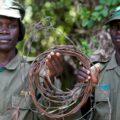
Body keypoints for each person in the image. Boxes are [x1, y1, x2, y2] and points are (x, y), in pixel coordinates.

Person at [74, 6, 120, 120]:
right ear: (110, 31)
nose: (119, 30)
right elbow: (84, 115)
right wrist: (85, 89)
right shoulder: (97, 73)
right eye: (115, 26)